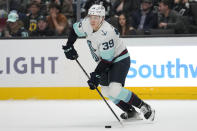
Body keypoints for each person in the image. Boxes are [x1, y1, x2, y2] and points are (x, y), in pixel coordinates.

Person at [62, 4, 155, 121]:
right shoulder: (86, 23)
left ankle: (144, 106)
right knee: (106, 91)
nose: (92, 20)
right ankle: (130, 112)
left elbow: (107, 60)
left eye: (96, 17)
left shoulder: (107, 33)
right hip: (105, 61)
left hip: (119, 58)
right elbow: (74, 30)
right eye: (91, 16)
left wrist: (96, 74)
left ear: (102, 18)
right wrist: (69, 45)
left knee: (115, 89)